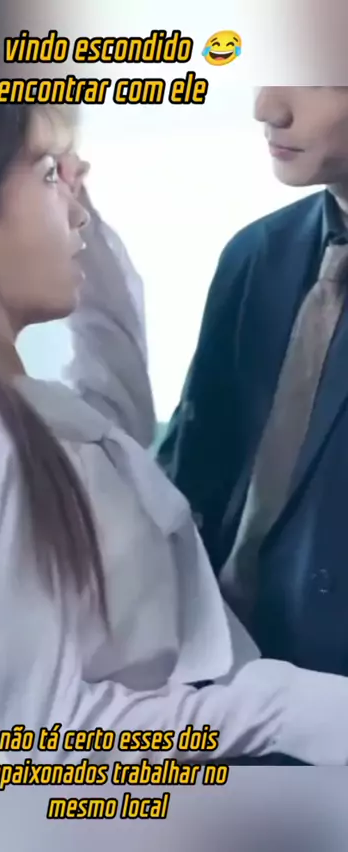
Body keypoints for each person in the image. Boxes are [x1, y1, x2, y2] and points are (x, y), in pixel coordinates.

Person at [0, 87, 348, 769]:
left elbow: (116, 400)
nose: (74, 199)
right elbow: (50, 732)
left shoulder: (28, 411)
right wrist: (283, 708)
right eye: (48, 174)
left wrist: (76, 215)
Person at [158, 86, 348, 678]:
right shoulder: (256, 253)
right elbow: (191, 475)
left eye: (315, 79)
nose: (267, 107)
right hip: (227, 678)